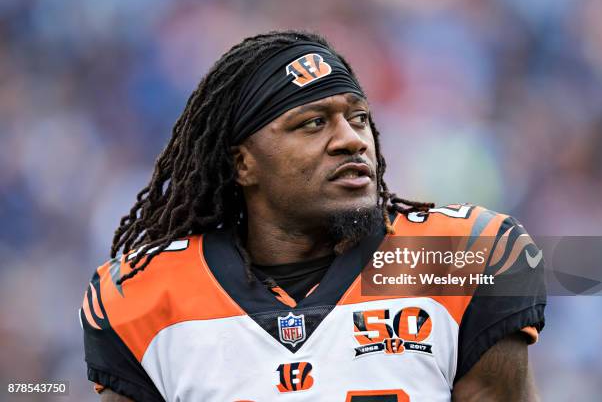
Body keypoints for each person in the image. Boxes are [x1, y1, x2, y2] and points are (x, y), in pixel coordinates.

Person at [80, 30, 546, 401]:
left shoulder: (456, 257)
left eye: (358, 118)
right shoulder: (146, 297)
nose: (351, 139)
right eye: (313, 123)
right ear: (243, 164)